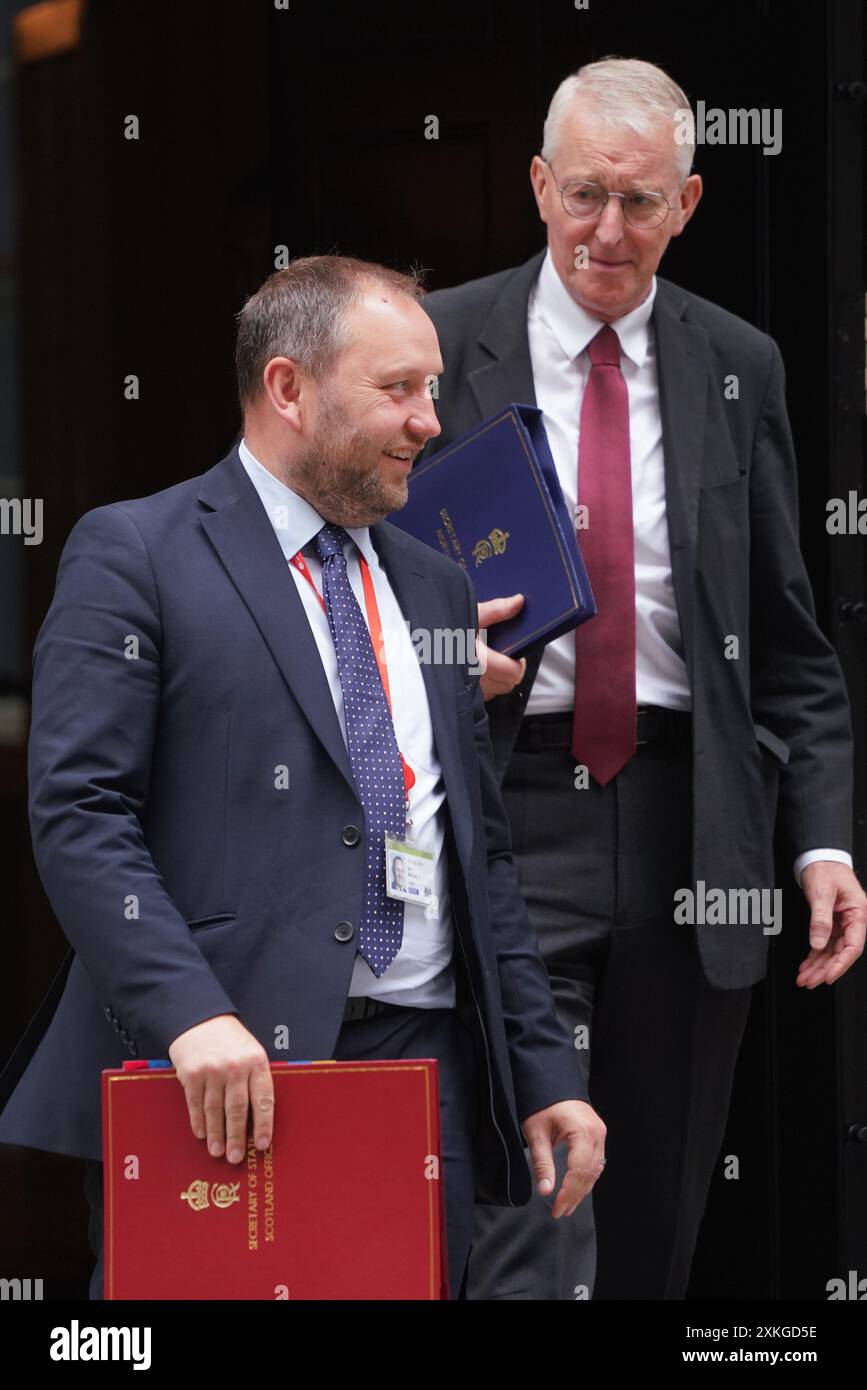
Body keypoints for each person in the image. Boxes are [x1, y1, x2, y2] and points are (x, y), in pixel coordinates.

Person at [0, 255, 607, 1300]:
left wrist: (545, 1070)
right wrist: (189, 1014)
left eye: (432, 385)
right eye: (398, 389)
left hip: (427, 1077)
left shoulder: (433, 583)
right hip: (219, 1076)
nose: (429, 418)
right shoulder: (136, 552)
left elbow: (480, 852)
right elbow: (79, 812)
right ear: (287, 388)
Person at [420, 57, 866, 1300]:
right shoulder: (441, 345)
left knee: (655, 1227)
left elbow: (789, 642)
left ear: (691, 203)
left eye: (642, 201)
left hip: (692, 824)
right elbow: (344, 593)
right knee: (530, 1211)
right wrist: (454, 659)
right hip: (510, 808)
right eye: (584, 196)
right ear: (536, 186)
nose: (608, 230)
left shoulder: (740, 362)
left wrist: (821, 841)